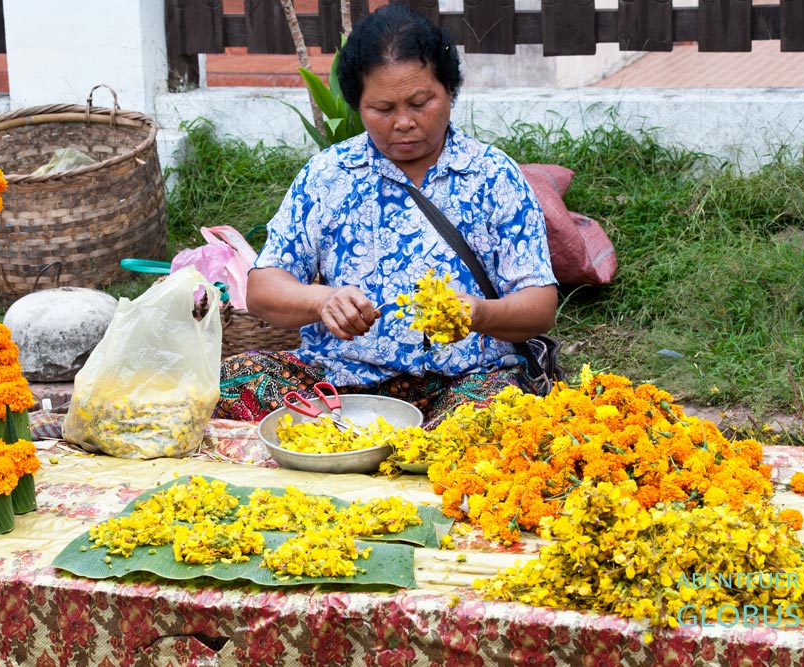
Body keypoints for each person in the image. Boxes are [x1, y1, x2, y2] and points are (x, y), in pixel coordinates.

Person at [214, 4, 558, 428]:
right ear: (357, 104)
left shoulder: (492, 175)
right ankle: (369, 445)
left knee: (487, 421)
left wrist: (479, 314)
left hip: (466, 380)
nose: (404, 123)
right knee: (228, 382)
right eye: (382, 108)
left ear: (449, 90)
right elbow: (265, 289)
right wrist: (323, 300)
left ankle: (407, 448)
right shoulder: (328, 174)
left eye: (421, 102)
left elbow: (540, 306)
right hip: (340, 384)